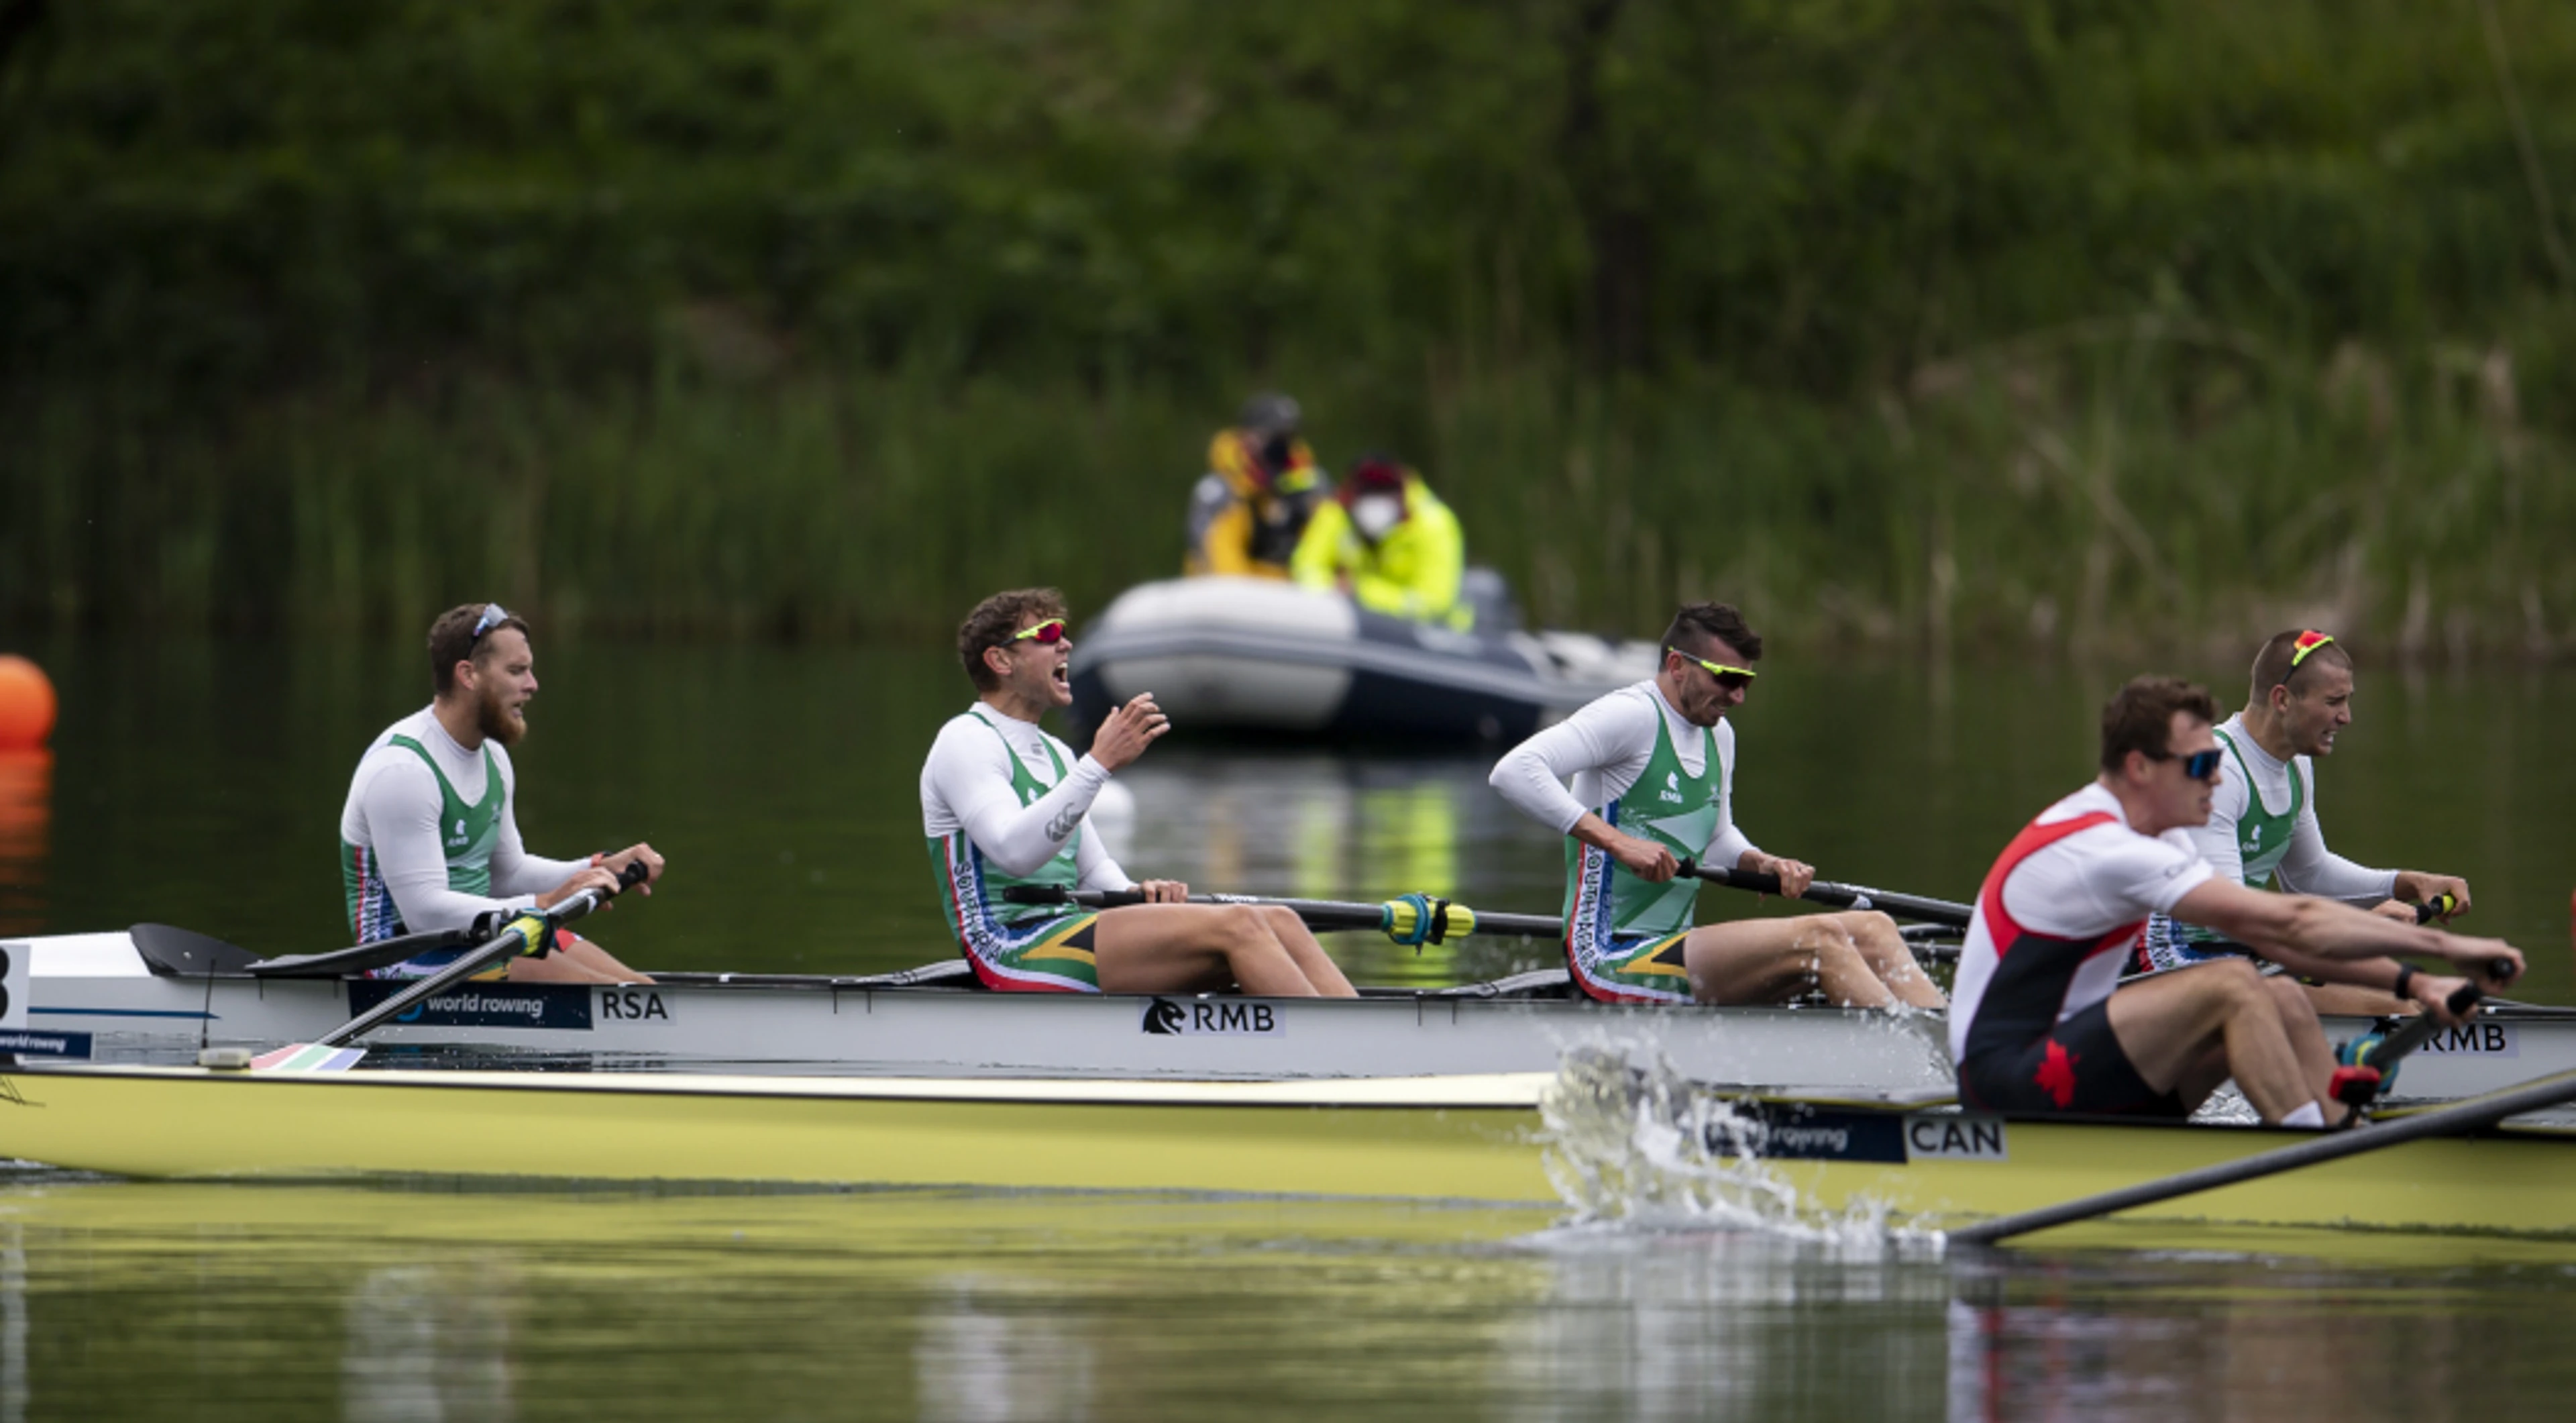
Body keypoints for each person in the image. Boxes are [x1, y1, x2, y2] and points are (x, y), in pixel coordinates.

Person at [1950, 676, 2522, 1127]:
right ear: (2139, 767)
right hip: (2009, 1079)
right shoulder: (2106, 845)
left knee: (2282, 998)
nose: (2217, 781)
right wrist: (2445, 951)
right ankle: (2313, 1168)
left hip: (2081, 1063)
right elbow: (2289, 920)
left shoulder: (2159, 831)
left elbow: (2284, 940)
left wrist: (2416, 984)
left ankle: (2339, 1134)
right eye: (2201, 766)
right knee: (2233, 983)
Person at [1489, 602, 1945, 1009]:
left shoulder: (1719, 734)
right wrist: (1619, 843)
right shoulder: (1630, 715)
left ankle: (1951, 1060)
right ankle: (1911, 1064)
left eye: (1745, 681)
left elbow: (1718, 837)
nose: (1738, 696)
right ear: (1677, 664)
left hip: (1673, 947)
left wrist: (1760, 860)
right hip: (1609, 956)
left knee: (1876, 927)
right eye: (1726, 678)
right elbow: (1514, 771)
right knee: (1822, 939)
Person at [922, 588, 1357, 996]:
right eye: (1048, 634)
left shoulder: (1056, 753)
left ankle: (1364, 1045)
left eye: (1065, 633)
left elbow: (1095, 873)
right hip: (1008, 948)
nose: (1066, 645)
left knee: (1280, 920)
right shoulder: (965, 741)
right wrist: (1098, 764)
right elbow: (1012, 851)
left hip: (1065, 930)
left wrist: (1141, 895)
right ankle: (1338, 1055)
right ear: (1000, 660)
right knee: (1240, 924)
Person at [2134, 630, 2475, 1016]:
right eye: (2334, 702)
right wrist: (2348, 930)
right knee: (2402, 1008)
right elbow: (2226, 919)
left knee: (2406, 991)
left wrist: (2409, 883)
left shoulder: (2297, 764)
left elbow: (2310, 875)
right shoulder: (2219, 771)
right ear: (2282, 699)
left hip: (2245, 953)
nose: (2346, 717)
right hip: (2177, 957)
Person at [339, 603, 661, 983]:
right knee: (609, 994)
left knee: (640, 991)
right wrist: (543, 904)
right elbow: (423, 912)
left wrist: (596, 869)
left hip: (486, 939)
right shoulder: (403, 771)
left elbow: (508, 873)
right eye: (516, 671)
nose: (533, 684)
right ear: (468, 674)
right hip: (400, 956)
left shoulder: (493, 756)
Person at [1289, 454, 1470, 628]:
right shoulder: (1336, 513)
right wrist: (1329, 588)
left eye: (1383, 495)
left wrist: (1361, 592)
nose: (1374, 505)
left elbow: (1434, 604)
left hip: (1425, 637)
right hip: (1354, 626)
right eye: (1367, 495)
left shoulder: (1434, 524)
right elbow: (1305, 566)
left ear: (1400, 496)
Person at [1185, 393, 1332, 579]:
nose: (1279, 446)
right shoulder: (1219, 491)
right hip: (1236, 596)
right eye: (1270, 436)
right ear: (1245, 435)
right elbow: (1214, 560)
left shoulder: (1310, 483)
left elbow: (1331, 547)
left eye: (1287, 438)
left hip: (1294, 597)